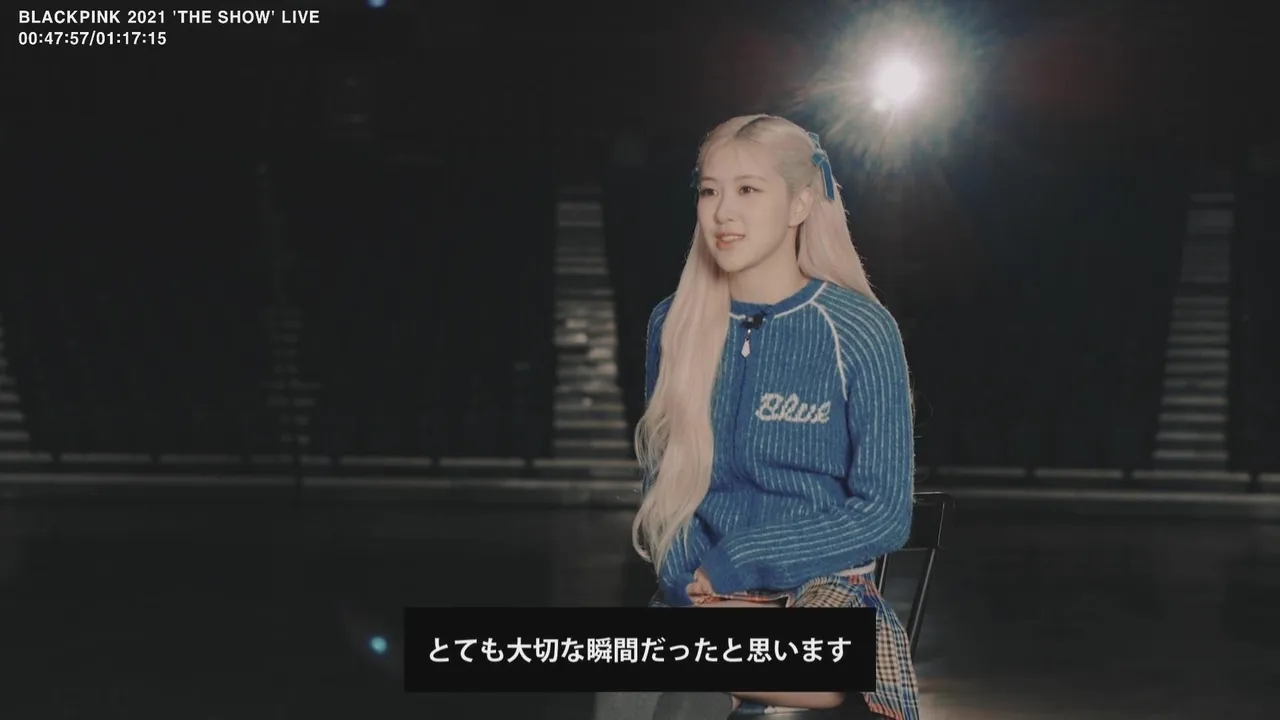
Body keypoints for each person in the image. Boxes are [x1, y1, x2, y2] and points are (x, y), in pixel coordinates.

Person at [594, 115, 919, 719]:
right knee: (621, 695)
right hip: (702, 596)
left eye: (748, 190)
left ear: (799, 204)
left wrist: (739, 561)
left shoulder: (860, 330)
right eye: (709, 191)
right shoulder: (674, 323)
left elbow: (885, 512)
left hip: (822, 596)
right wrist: (689, 580)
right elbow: (663, 483)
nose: (723, 212)